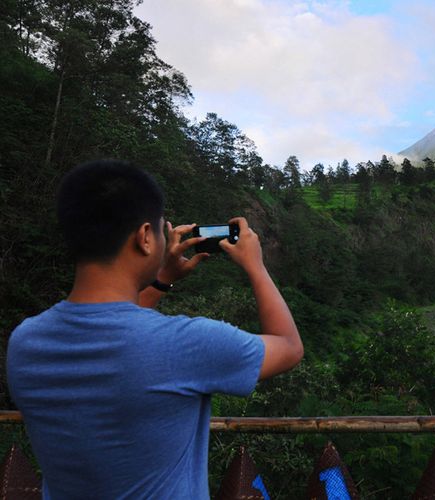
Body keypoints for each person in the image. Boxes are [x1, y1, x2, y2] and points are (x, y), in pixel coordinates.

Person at [6, 159, 303, 499]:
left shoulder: (25, 344)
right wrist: (256, 265)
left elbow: (116, 338)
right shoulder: (187, 345)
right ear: (145, 237)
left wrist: (162, 279)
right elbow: (288, 346)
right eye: (162, 229)